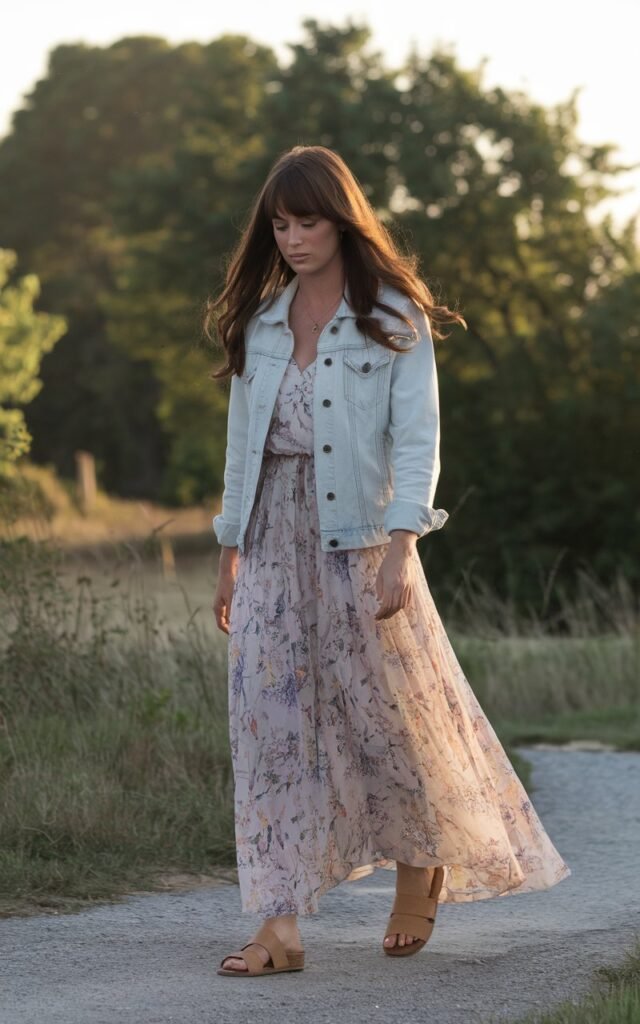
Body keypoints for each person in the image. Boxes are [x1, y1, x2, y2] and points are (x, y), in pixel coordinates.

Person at [206, 145, 571, 978]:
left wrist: (403, 547)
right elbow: (240, 449)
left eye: (307, 222)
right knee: (268, 730)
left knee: (388, 718)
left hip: (357, 538)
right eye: (280, 224)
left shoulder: (392, 318)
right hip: (268, 537)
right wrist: (230, 549)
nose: (292, 238)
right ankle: (280, 926)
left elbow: (418, 440)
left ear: (341, 220)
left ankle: (421, 861)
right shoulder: (261, 324)